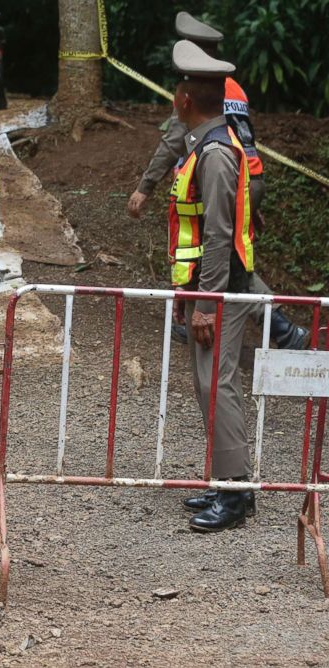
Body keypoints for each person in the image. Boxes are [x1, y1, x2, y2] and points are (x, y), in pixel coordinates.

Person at [127, 11, 309, 351]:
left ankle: (259, 326)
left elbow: (173, 140)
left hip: (222, 175)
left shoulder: (197, 88)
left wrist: (145, 186)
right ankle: (278, 329)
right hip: (248, 176)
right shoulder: (232, 85)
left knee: (212, 249)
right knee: (232, 255)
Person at [168, 42, 257, 532]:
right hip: (207, 286)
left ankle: (236, 492)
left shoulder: (217, 151)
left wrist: (206, 304)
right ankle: (228, 481)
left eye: (175, 91)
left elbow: (221, 234)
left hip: (219, 288)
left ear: (184, 98)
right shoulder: (205, 143)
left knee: (217, 384)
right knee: (211, 384)